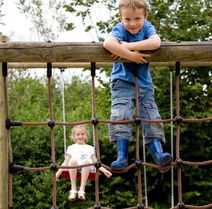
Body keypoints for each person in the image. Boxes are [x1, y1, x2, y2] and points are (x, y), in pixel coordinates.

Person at [103, 0, 172, 173]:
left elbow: (155, 42)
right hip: (122, 82)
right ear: (121, 18)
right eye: (127, 19)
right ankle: (121, 157)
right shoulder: (119, 29)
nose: (132, 24)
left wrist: (126, 47)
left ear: (145, 17)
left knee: (151, 116)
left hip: (144, 83)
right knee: (121, 115)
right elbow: (108, 44)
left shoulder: (147, 27)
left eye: (137, 18)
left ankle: (158, 154)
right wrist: (132, 57)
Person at [56, 125, 112, 201]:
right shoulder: (71, 147)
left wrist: (104, 171)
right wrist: (58, 173)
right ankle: (73, 190)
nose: (80, 136)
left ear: (86, 135)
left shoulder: (90, 148)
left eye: (82, 134)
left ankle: (82, 190)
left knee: (86, 162)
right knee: (72, 160)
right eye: (78, 134)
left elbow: (96, 162)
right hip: (73, 167)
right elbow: (65, 162)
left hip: (87, 167)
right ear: (74, 136)